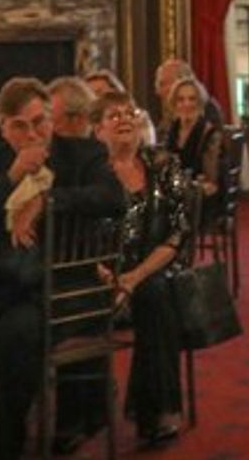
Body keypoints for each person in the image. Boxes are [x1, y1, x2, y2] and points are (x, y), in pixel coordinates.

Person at [0, 76, 125, 459]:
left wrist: (45, 199)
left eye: (40, 122)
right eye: (20, 126)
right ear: (3, 127)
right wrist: (13, 177)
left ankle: (4, 449)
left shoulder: (83, 154)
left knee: (13, 337)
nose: (33, 133)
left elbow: (112, 198)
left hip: (57, 289)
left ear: (52, 119)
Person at [93, 89, 191, 447]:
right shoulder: (91, 173)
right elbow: (80, 237)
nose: (123, 119)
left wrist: (134, 277)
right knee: (155, 297)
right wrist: (107, 276)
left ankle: (156, 413)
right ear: (97, 130)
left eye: (128, 112)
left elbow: (179, 232)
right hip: (99, 278)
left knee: (156, 293)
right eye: (112, 115)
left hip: (151, 271)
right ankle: (151, 411)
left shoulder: (161, 164)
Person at [163, 76, 224, 219]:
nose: (186, 104)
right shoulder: (172, 129)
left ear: (200, 103)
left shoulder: (209, 133)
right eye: (181, 99)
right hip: (177, 190)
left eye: (192, 99)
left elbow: (211, 180)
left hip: (203, 198)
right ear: (174, 103)